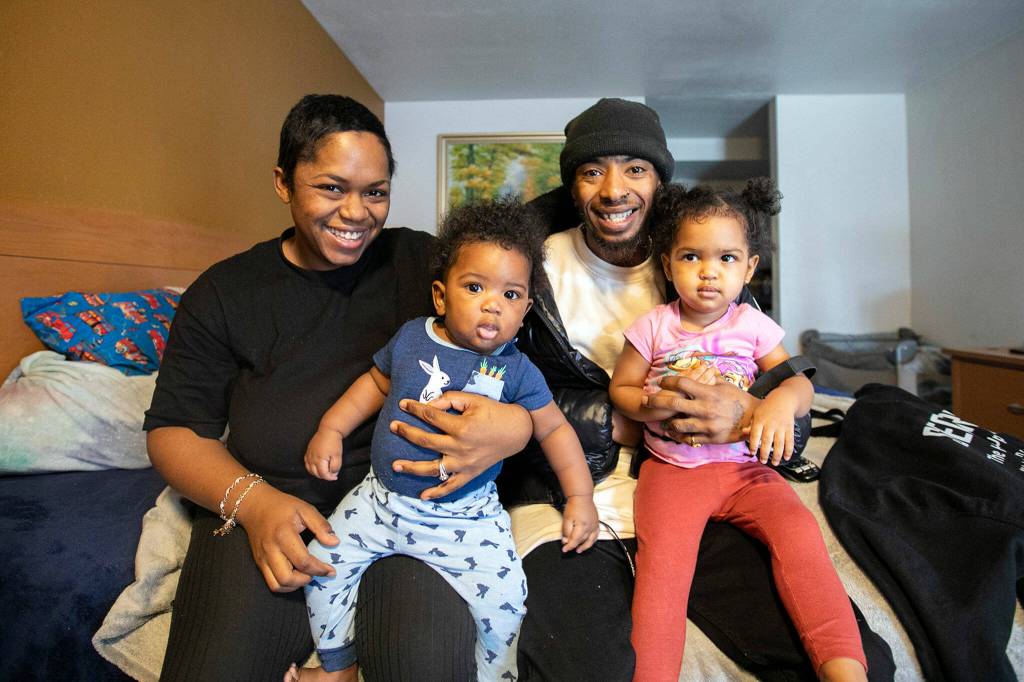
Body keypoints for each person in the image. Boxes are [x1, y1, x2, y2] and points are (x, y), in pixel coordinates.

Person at [484, 98, 892, 681]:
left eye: (635, 169)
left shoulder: (705, 265)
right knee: (584, 667)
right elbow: (488, 382)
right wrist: (624, 420)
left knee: (862, 662)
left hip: (713, 480)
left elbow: (791, 408)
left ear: (660, 181)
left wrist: (747, 412)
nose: (613, 190)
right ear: (572, 185)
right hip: (572, 493)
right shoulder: (529, 263)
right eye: (592, 170)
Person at [144, 94, 535, 681]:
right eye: (331, 188)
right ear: (283, 182)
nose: (356, 212)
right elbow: (174, 431)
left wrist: (515, 428)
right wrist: (254, 505)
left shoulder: (424, 263)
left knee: (421, 662)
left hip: (415, 514)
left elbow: (515, 356)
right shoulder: (225, 293)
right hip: (276, 508)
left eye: (375, 191)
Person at [287, 198, 598, 682]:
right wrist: (331, 428)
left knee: (508, 604)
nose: (493, 303)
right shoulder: (413, 338)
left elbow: (555, 428)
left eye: (511, 295)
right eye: (475, 287)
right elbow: (373, 384)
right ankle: (338, 667)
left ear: (526, 311)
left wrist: (580, 497)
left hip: (465, 519)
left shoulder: (518, 371)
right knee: (320, 565)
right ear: (440, 295)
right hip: (379, 502)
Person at [609, 180, 867, 681]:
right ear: (667, 265)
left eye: (727, 258)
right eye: (691, 257)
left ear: (748, 268)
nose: (709, 272)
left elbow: (800, 383)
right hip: (673, 471)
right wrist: (650, 404)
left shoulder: (753, 325)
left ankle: (845, 668)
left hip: (748, 471)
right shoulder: (654, 326)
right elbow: (621, 388)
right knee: (662, 575)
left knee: (801, 538)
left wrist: (778, 403)